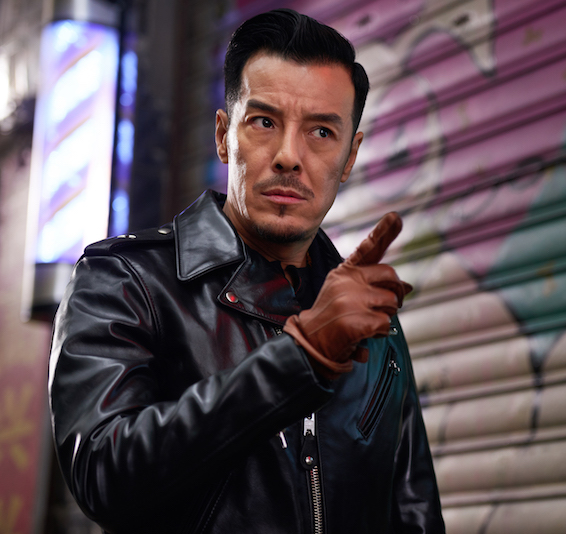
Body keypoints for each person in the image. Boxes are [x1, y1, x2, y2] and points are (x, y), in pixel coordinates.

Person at [48, 9, 445, 533]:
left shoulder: (369, 319)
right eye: (264, 122)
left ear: (350, 157)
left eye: (321, 131)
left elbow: (414, 510)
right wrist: (300, 359)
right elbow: (104, 475)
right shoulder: (126, 279)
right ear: (223, 135)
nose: (288, 156)